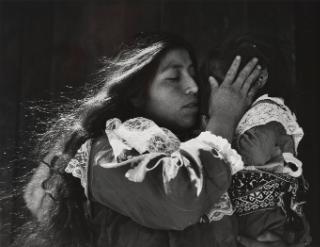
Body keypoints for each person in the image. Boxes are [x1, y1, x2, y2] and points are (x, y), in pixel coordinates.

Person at [17, 32, 297, 247]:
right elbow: (180, 199)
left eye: (192, 74)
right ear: (137, 92)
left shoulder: (205, 152)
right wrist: (223, 117)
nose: (193, 87)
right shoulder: (108, 150)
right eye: (174, 78)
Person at [203, 34, 311, 247]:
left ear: (260, 78)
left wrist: (222, 128)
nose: (217, 93)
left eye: (225, 82)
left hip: (266, 221)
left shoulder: (266, 113)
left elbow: (255, 153)